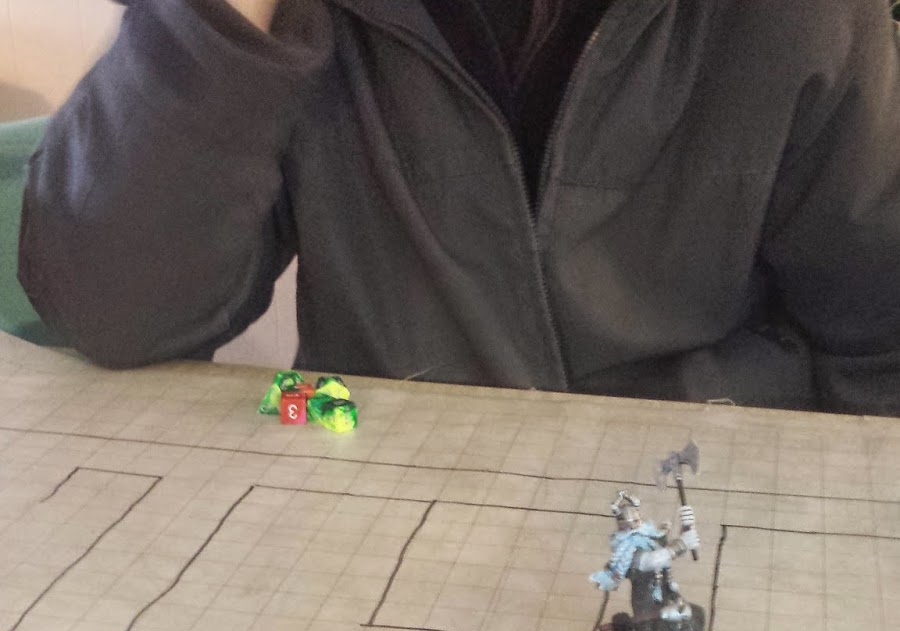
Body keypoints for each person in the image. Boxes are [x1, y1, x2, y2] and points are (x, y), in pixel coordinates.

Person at [18, 0, 900, 414]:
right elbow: (114, 312)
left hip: (698, 501)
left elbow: (880, 341)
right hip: (377, 498)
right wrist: (218, 18)